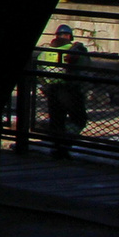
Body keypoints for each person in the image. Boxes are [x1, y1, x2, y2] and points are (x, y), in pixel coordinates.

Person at [37, 23, 90, 158]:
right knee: (79, 119)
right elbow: (86, 68)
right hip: (70, 89)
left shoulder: (45, 53)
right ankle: (66, 142)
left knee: (56, 120)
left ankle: (56, 147)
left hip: (52, 91)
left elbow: (40, 72)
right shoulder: (76, 50)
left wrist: (45, 87)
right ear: (69, 36)